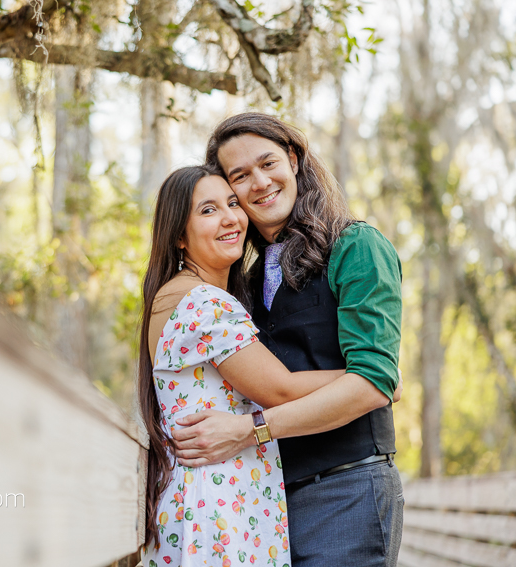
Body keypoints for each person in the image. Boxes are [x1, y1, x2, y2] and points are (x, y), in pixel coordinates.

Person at [172, 113, 404, 567]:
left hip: (347, 492)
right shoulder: (248, 279)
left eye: (268, 163)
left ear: (294, 160)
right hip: (266, 504)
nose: (259, 182)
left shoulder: (356, 246)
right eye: (240, 176)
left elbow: (374, 383)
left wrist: (249, 431)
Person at [140, 165, 356, 567]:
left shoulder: (179, 296)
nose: (231, 218)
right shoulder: (203, 302)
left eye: (233, 203)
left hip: (212, 497)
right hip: (217, 504)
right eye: (208, 210)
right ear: (178, 237)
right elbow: (280, 389)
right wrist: (368, 377)